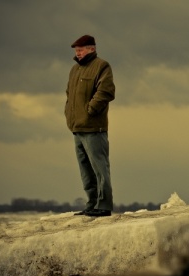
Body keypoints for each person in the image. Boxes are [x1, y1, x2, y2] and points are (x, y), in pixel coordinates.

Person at [64, 35, 115, 217]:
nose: (77, 53)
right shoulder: (74, 70)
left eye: (80, 50)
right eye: (76, 51)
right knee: (86, 171)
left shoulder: (102, 66)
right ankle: (92, 204)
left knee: (100, 168)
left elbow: (106, 91)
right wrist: (69, 115)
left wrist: (90, 110)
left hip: (94, 127)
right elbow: (69, 95)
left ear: (91, 49)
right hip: (77, 128)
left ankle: (104, 205)